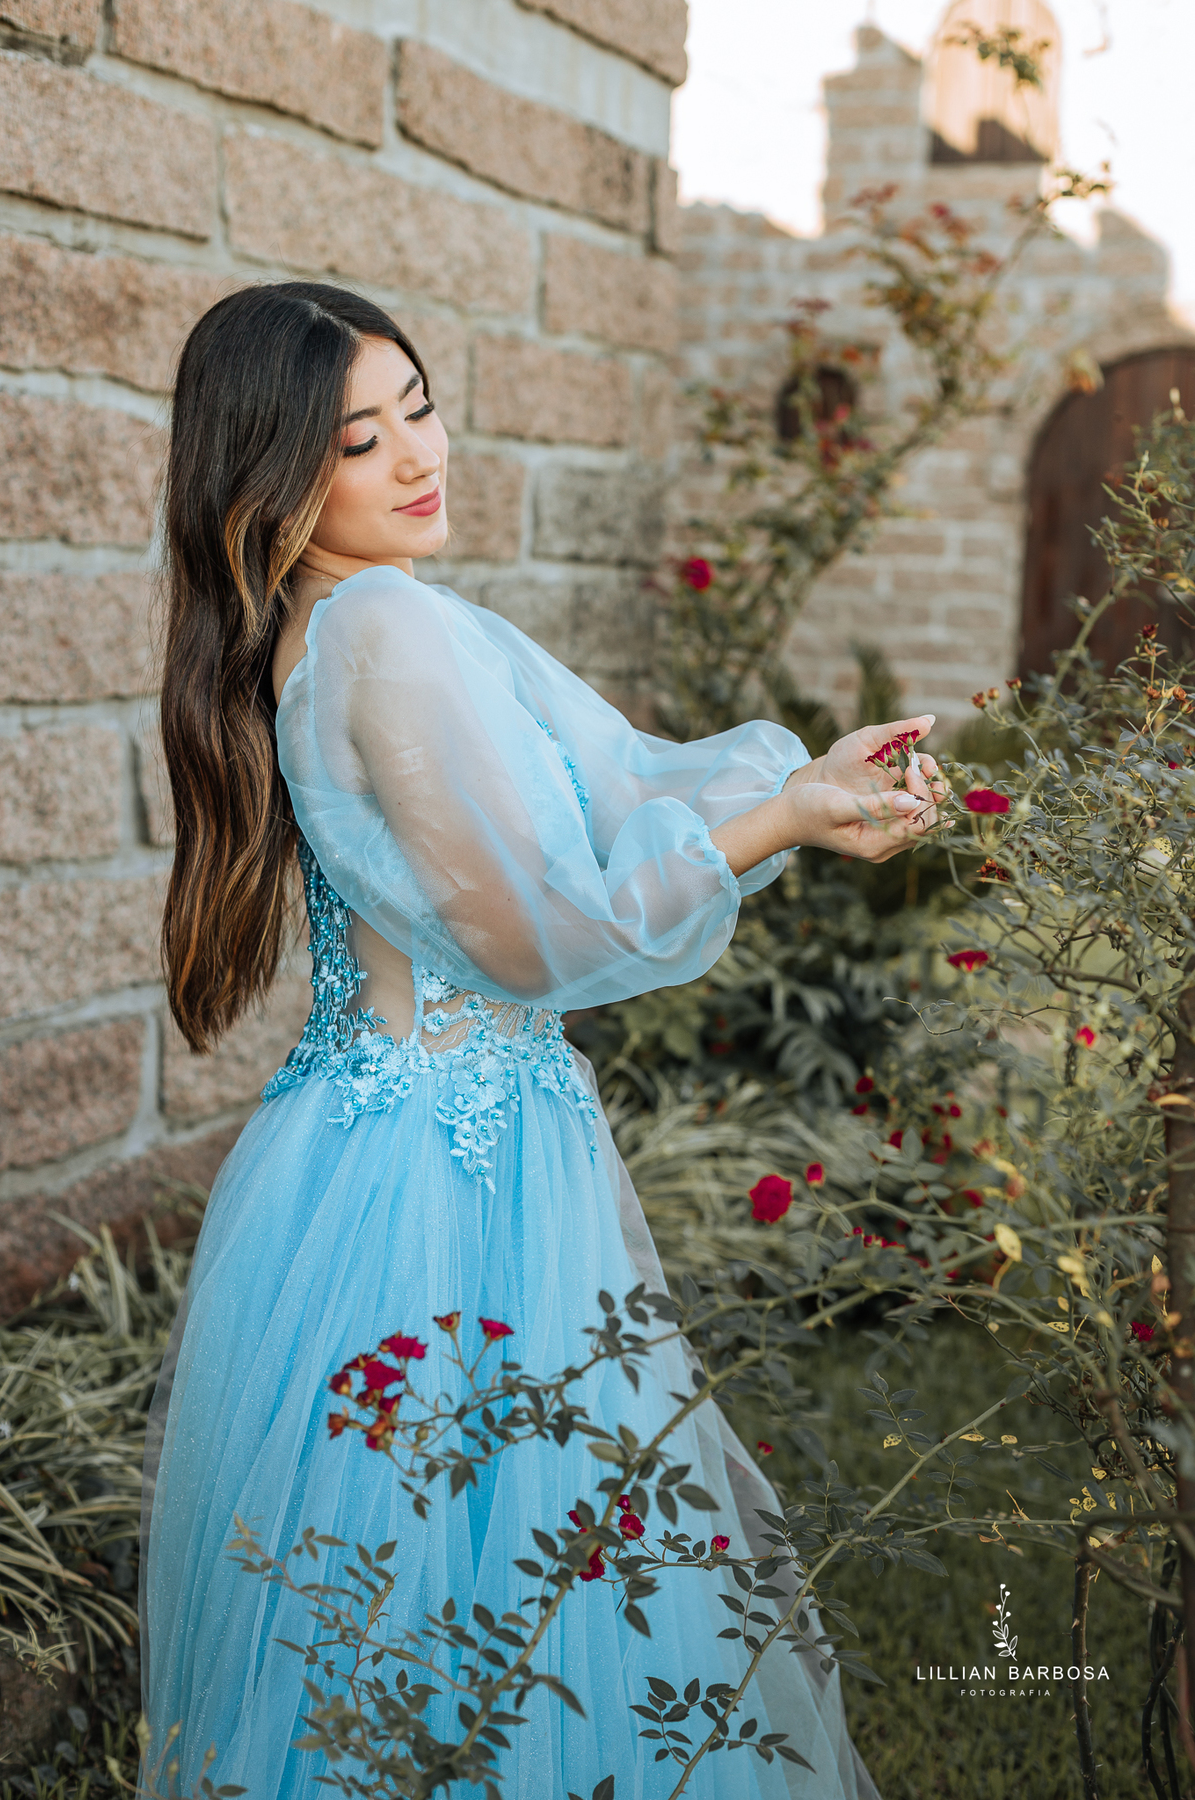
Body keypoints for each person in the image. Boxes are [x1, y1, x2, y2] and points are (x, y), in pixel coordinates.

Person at [143, 280, 941, 1799]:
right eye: (355, 440)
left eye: (418, 409)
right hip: (448, 1177)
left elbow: (611, 791)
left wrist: (799, 783)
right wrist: (786, 817)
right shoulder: (381, 623)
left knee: (413, 1600)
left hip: (376, 1147)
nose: (413, 457)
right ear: (267, 478)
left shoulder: (352, 622)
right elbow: (536, 933)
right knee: (518, 1571)